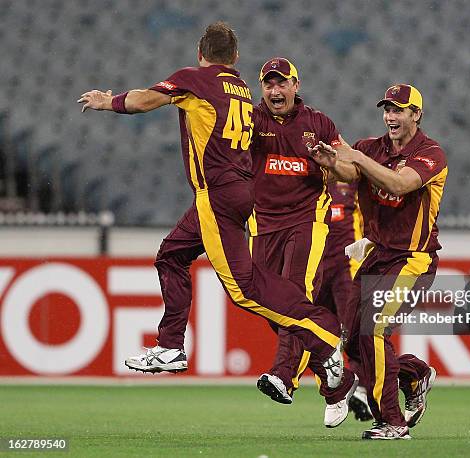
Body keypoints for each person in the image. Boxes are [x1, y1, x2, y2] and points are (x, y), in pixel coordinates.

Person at [77, 22, 349, 393]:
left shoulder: (196, 80)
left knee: (244, 288)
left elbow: (144, 100)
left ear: (200, 54)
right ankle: (171, 345)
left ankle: (323, 334)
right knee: (171, 254)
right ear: (235, 58)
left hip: (216, 194)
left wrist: (107, 101)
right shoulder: (241, 88)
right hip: (235, 190)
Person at [310, 83, 446, 440]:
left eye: (399, 110)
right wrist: (334, 166)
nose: (391, 116)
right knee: (353, 343)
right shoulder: (372, 148)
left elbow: (401, 185)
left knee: (375, 330)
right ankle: (414, 374)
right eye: (387, 109)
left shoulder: (431, 154)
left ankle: (393, 422)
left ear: (416, 114)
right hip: (376, 256)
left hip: (413, 260)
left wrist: (358, 159)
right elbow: (353, 173)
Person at [248, 58, 358, 428]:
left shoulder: (318, 123)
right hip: (262, 225)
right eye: (269, 85)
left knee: (294, 295)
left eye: (282, 84)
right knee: (272, 307)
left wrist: (331, 161)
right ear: (261, 88)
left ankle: (284, 376)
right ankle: (335, 375)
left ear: (296, 85)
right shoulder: (250, 121)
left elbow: (349, 169)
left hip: (306, 221)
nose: (275, 91)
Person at [317, 181, 372, 422]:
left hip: (347, 268)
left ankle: (362, 389)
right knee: (321, 335)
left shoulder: (354, 186)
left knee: (353, 330)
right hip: (316, 270)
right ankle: (338, 393)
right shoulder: (311, 185)